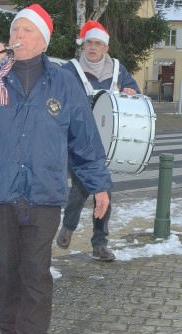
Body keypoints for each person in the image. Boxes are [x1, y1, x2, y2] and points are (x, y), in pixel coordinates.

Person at [0, 4, 111, 334]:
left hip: (44, 194)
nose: (16, 37)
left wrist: (98, 183)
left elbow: (83, 139)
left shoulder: (64, 80)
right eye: (14, 30)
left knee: (35, 273)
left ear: (43, 39)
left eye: (25, 31)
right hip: (1, 192)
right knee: (4, 269)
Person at [55, 20, 140, 261]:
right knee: (82, 185)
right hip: (76, 141)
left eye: (98, 44)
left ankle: (98, 242)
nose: (93, 47)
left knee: (102, 191)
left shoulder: (117, 70)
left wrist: (131, 92)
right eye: (89, 43)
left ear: (106, 48)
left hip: (107, 142)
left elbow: (134, 90)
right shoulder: (69, 70)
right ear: (83, 45)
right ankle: (73, 229)